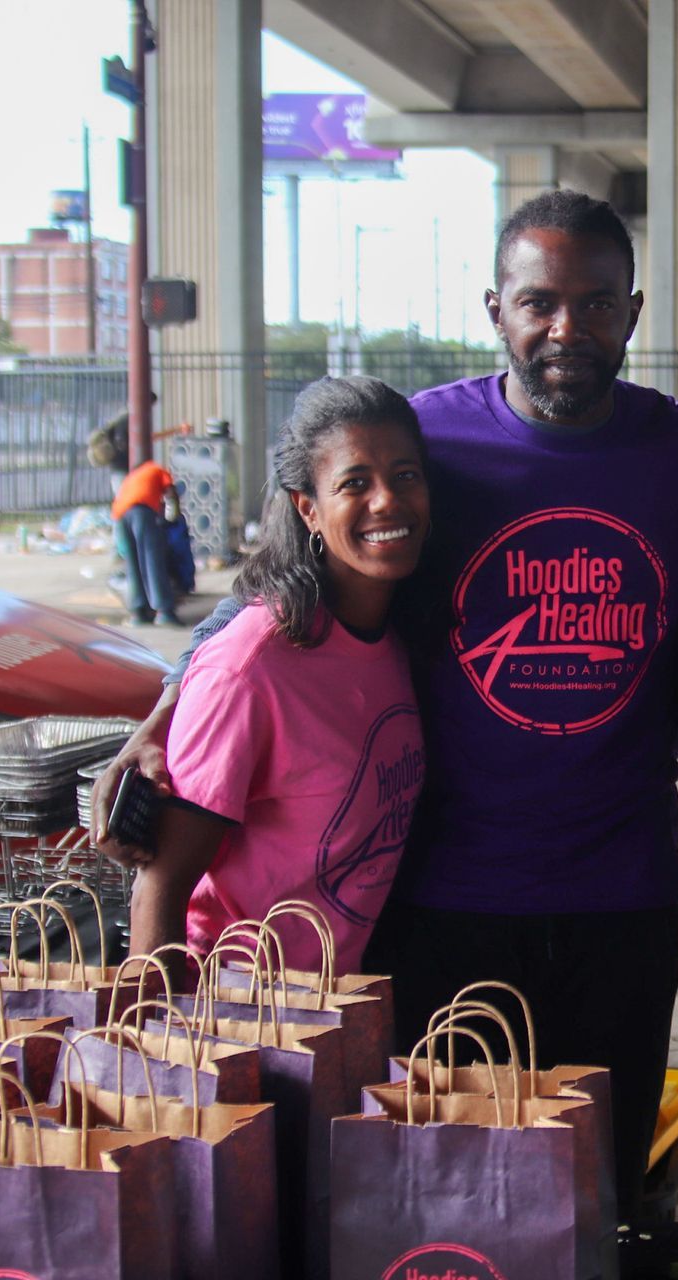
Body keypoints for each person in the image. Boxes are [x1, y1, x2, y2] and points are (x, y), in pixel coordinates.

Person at [92, 188, 678, 1217]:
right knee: (444, 1199)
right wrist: (163, 717)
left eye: (596, 304)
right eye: (540, 301)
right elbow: (282, 569)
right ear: (494, 307)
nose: (568, 327)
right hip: (441, 904)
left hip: (622, 902)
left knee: (603, 1208)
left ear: (632, 313)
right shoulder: (426, 448)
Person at [127, 376, 430, 975]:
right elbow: (160, 887)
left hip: (342, 1005)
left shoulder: (395, 632)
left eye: (405, 476)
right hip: (244, 1011)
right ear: (307, 508)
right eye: (354, 483)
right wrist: (158, 1040)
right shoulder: (251, 667)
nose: (386, 501)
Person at [111, 455, 184, 628]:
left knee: (133, 564)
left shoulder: (133, 475)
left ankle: (138, 612)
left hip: (120, 516)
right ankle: (164, 611)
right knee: (153, 560)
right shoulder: (158, 470)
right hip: (141, 512)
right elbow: (171, 494)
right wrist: (174, 517)